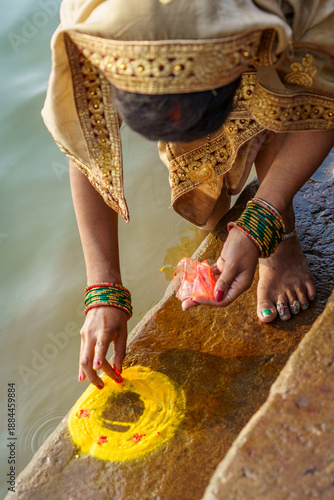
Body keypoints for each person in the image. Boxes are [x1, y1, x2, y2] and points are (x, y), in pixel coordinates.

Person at [42, 0, 334, 388]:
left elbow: (324, 101)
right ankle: (226, 233)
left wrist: (263, 220)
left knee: (284, 95)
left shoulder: (289, 10)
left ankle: (280, 241)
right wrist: (103, 289)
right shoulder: (95, 26)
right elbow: (87, 150)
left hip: (254, 36)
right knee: (202, 174)